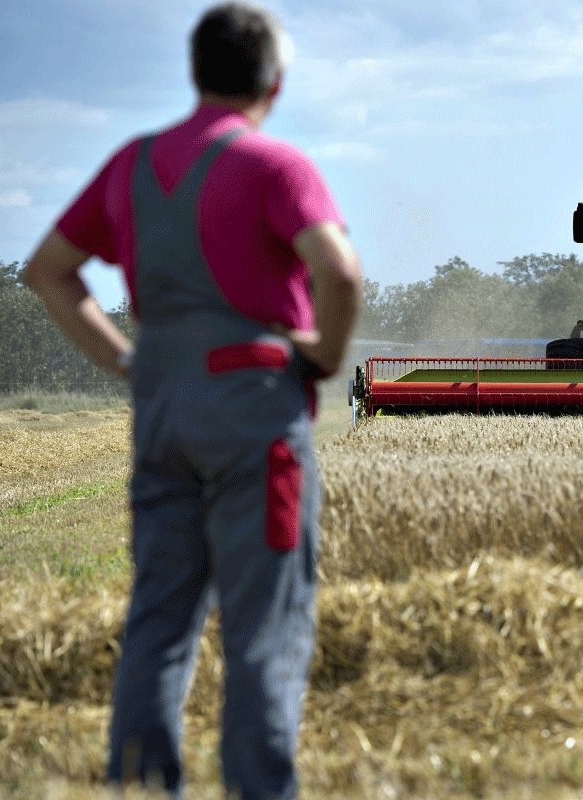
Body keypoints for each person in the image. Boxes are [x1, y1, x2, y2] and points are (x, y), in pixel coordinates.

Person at [22, 4, 362, 797]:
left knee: (160, 621)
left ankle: (141, 785)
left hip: (163, 409)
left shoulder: (130, 165)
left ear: (194, 73)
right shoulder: (275, 165)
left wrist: (128, 363)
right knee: (262, 630)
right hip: (255, 413)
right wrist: (324, 356)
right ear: (274, 82)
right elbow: (338, 272)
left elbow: (47, 270)